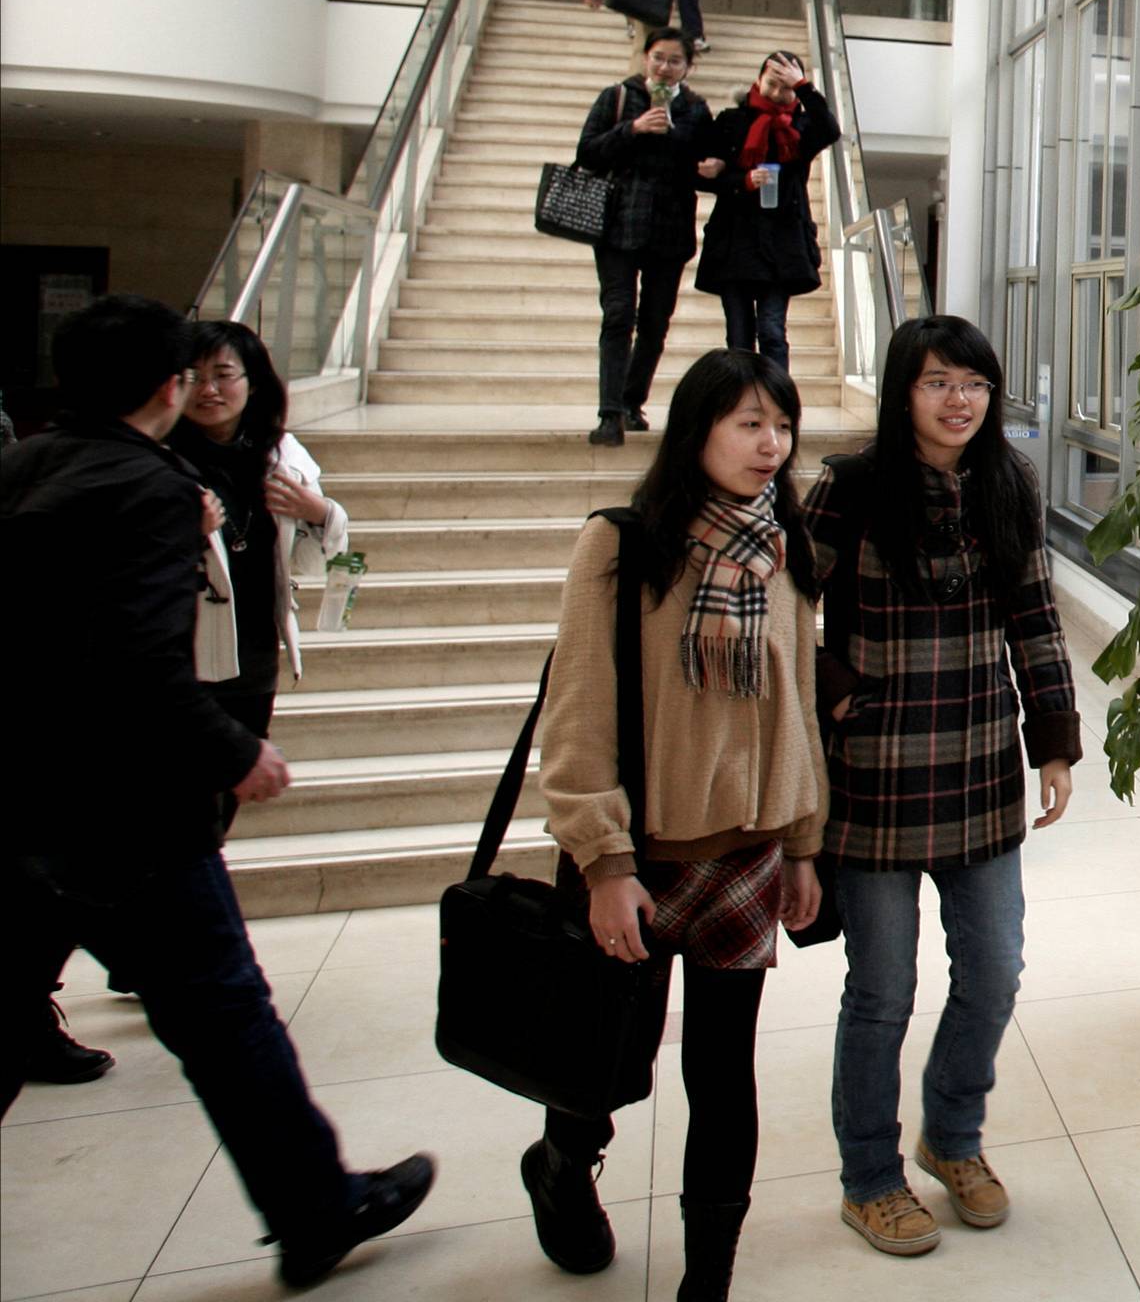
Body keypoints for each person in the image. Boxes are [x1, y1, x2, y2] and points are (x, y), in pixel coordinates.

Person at [0, 295, 433, 1285]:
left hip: (24, 795)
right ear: (169, 385)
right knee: (227, 1013)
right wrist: (236, 752)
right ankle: (316, 1208)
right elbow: (139, 666)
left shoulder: (21, 467)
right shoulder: (150, 487)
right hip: (128, 813)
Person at [523, 349, 826, 1302]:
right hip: (639, 858)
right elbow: (579, 712)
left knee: (723, 1075)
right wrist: (604, 862)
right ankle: (562, 1166)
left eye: (782, 425)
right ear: (696, 431)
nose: (771, 444)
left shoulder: (787, 549)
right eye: (749, 423)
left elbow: (798, 707)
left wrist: (804, 844)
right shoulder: (621, 546)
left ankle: (709, 1277)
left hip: (747, 857)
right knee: (604, 1064)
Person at [805, 317, 1080, 1258]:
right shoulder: (851, 487)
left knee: (995, 970)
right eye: (937, 383)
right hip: (874, 778)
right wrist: (833, 687)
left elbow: (1035, 615)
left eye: (974, 384)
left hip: (978, 766)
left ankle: (953, 1137)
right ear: (902, 391)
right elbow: (780, 601)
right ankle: (869, 1179)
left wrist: (1053, 741)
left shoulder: (1008, 482)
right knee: (882, 992)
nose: (959, 401)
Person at [168, 322, 349, 780]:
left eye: (223, 375)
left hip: (254, 653)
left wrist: (320, 513)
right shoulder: (160, 458)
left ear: (253, 383)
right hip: (182, 655)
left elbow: (311, 563)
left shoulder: (283, 455)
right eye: (194, 376)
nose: (208, 389)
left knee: (230, 787)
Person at [577, 26, 725, 446]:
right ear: (646, 58)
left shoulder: (696, 109)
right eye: (658, 58)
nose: (664, 67)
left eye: (675, 60)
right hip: (618, 226)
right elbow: (587, 152)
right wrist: (633, 129)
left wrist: (712, 168)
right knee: (618, 314)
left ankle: (631, 402)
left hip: (670, 230)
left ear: (687, 67)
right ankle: (609, 414)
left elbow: (708, 169)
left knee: (655, 321)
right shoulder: (617, 97)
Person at [695, 52, 837, 376]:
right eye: (771, 83)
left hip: (782, 244)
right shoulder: (732, 121)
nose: (775, 93)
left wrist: (803, 87)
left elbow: (830, 130)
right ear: (758, 80)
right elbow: (703, 175)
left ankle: (776, 396)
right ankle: (743, 398)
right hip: (735, 241)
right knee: (739, 337)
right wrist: (742, 181)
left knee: (772, 330)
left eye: (785, 88)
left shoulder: (801, 126)